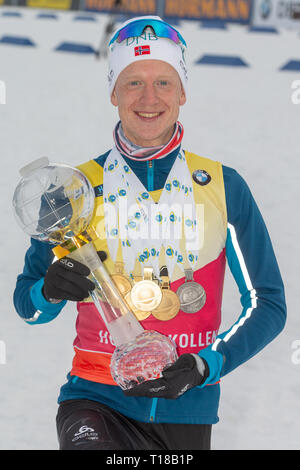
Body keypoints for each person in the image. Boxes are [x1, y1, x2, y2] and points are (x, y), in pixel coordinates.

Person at [13, 16, 287, 451]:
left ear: (182, 92)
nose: (148, 98)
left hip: (188, 410)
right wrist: (48, 291)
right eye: (132, 82)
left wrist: (205, 365)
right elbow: (28, 309)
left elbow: (268, 305)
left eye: (163, 82)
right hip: (94, 399)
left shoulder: (222, 186)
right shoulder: (72, 189)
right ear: (113, 92)